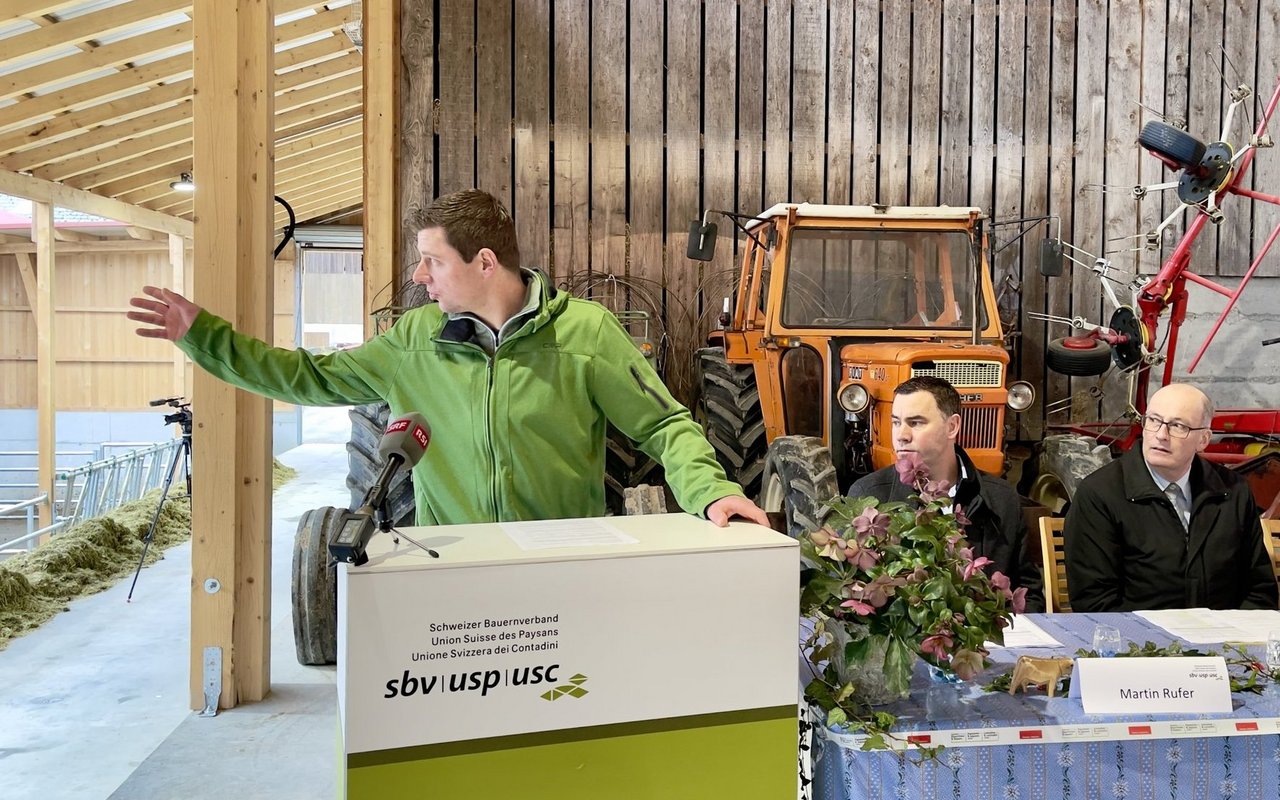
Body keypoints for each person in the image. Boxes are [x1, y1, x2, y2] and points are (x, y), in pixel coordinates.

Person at [127, 189, 767, 529]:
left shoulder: (585, 333)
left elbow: (663, 426)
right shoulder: (413, 341)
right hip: (451, 564)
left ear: (484, 262)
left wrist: (713, 494)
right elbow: (306, 376)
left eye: (432, 260)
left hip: (558, 561)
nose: (418, 274)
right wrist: (202, 335)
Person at [1064, 383, 1277, 611]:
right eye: (1154, 420)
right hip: (1140, 643)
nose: (1161, 435)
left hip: (1224, 641)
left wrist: (1236, 641)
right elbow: (1094, 603)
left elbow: (1259, 590)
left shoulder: (1233, 491)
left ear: (1203, 439)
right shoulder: (1100, 494)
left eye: (1177, 426)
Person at [846, 376, 1045, 613]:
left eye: (916, 422)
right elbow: (851, 597)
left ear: (952, 427)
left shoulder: (1001, 498)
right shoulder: (870, 496)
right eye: (896, 422)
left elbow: (1029, 593)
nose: (901, 435)